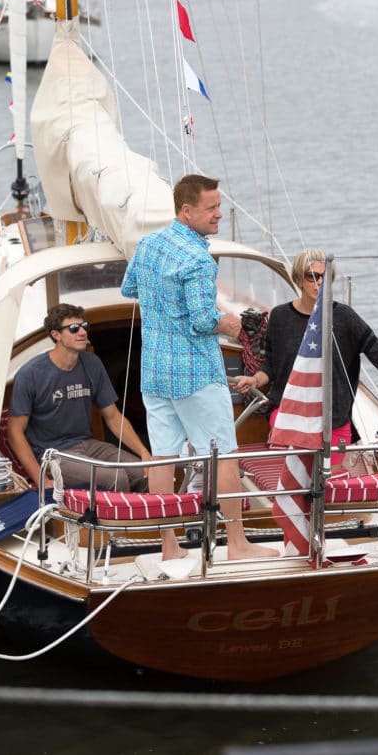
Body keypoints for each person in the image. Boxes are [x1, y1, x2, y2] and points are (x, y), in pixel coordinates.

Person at [122, 173, 278, 562]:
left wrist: (169, 305)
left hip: (155, 371)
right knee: (224, 454)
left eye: (219, 206)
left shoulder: (148, 245)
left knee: (163, 457)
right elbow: (204, 320)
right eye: (211, 208)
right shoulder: (198, 259)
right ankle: (238, 546)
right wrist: (240, 325)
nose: (219, 214)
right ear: (186, 210)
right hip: (194, 373)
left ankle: (170, 548)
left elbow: (130, 289)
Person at [233, 249, 378, 462]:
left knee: (330, 485)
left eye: (325, 277)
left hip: (334, 419)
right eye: (312, 276)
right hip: (290, 416)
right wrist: (254, 379)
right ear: (299, 279)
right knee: (291, 485)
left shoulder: (344, 317)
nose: (319, 282)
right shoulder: (279, 317)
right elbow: (271, 366)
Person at [7, 304, 149, 492]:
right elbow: (14, 432)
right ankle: (119, 522)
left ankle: (144, 520)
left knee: (144, 473)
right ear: (56, 335)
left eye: (84, 326)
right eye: (74, 329)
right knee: (117, 478)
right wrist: (40, 478)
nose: (82, 332)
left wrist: (144, 454)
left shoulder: (92, 363)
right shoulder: (30, 374)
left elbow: (113, 416)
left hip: (87, 444)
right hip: (53, 454)